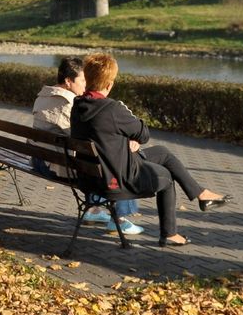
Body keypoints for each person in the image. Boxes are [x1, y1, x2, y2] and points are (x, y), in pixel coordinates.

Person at [70, 52, 228, 247]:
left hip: (91, 177)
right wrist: (126, 118)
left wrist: (122, 137)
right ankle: (169, 234)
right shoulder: (112, 109)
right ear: (110, 84)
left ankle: (201, 194)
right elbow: (143, 134)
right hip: (116, 179)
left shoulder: (78, 105)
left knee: (162, 152)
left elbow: (104, 134)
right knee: (166, 177)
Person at [32, 57, 142, 236]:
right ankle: (120, 218)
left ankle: (94, 210)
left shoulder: (43, 96)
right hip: (55, 166)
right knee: (112, 159)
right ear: (68, 81)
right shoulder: (70, 103)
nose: (87, 85)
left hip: (38, 159)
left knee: (93, 157)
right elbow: (84, 139)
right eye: (83, 80)